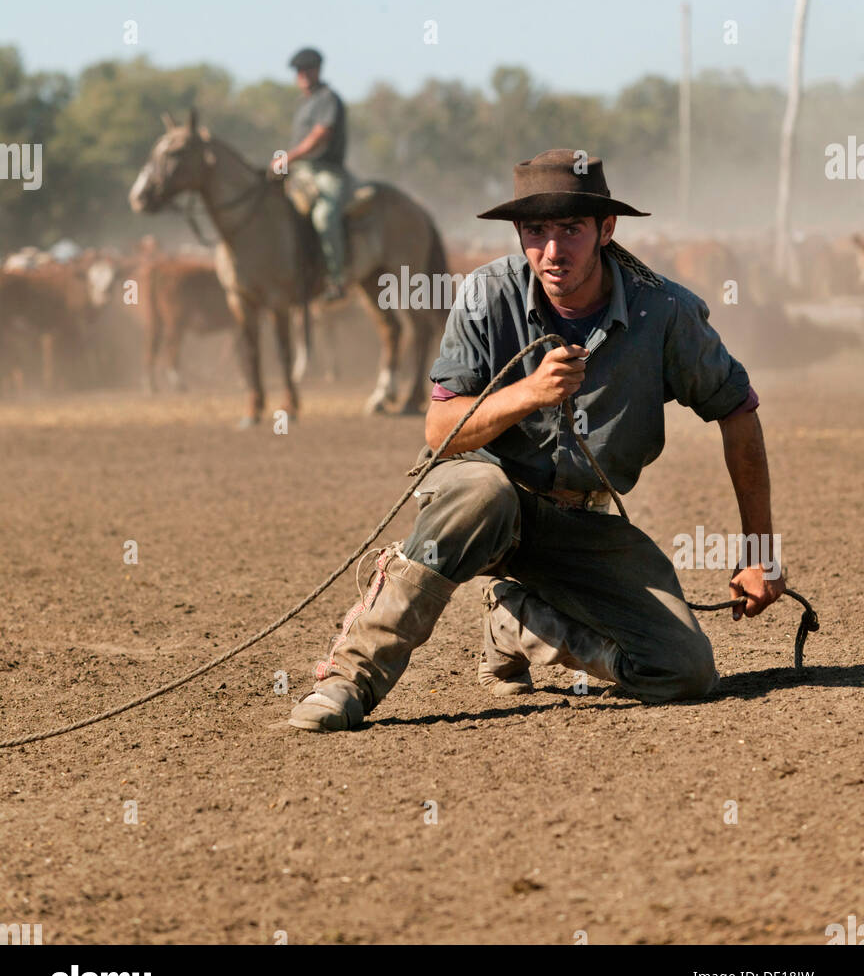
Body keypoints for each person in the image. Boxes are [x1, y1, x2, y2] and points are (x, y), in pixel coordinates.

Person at [289, 148, 783, 733]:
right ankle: (351, 678)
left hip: (580, 525)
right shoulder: (485, 295)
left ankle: (519, 621)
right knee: (485, 492)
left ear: (606, 229)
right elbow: (439, 434)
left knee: (684, 671)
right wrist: (527, 393)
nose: (552, 251)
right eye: (535, 231)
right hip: (478, 504)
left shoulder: (665, 312)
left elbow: (738, 412)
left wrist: (759, 553)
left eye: (570, 229)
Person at [271, 47, 351, 301]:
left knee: (324, 216)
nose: (303, 75)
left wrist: (287, 158)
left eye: (308, 69)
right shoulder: (304, 102)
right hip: (300, 171)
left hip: (326, 172)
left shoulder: (328, 99)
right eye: (299, 71)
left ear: (318, 70)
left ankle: (336, 279)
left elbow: (318, 138)